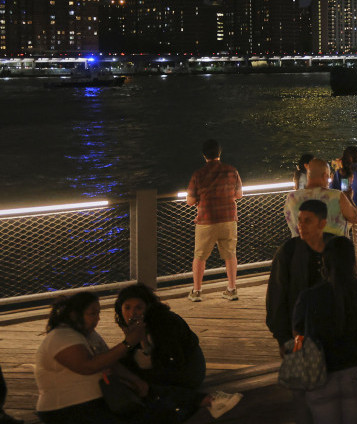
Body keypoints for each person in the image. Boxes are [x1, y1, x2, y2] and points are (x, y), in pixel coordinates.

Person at [35, 291, 240, 423]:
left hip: (103, 398)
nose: (97, 319)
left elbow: (112, 362)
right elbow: (87, 366)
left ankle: (207, 401)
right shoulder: (61, 337)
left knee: (156, 406)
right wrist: (129, 343)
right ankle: (206, 401)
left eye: (98, 313)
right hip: (69, 409)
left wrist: (135, 380)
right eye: (92, 314)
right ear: (74, 315)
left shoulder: (89, 335)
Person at [293, 236, 357, 424]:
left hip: (321, 377)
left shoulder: (309, 297)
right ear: (353, 261)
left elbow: (298, 338)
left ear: (324, 263)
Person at [266, 198, 334, 424]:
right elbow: (276, 296)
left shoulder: (334, 249)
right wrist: (282, 338)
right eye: (300, 220)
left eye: (308, 221)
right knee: (302, 397)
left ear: (322, 223)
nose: (301, 225)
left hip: (330, 336)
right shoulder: (288, 251)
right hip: (299, 336)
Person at [113, 284, 205, 390]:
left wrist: (141, 340)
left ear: (148, 307)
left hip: (187, 372)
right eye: (127, 308)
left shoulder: (164, 323)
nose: (132, 313)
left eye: (138, 308)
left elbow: (167, 360)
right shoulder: (136, 326)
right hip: (167, 367)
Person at [186, 139, 243, 303]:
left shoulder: (198, 174)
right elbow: (239, 194)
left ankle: (197, 291)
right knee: (230, 254)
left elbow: (190, 200)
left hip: (206, 220)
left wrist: (199, 200)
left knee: (200, 256)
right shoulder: (232, 171)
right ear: (219, 153)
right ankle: (232, 289)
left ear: (204, 155)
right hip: (228, 218)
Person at [284, 158, 357, 238]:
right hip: (334, 248)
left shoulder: (291, 198)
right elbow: (355, 218)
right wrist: (349, 197)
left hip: (302, 248)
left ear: (308, 175)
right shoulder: (337, 196)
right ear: (325, 176)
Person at [330, 146, 357, 272]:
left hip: (345, 209)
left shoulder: (341, 173)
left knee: (343, 241)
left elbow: (335, 190)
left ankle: (345, 271)